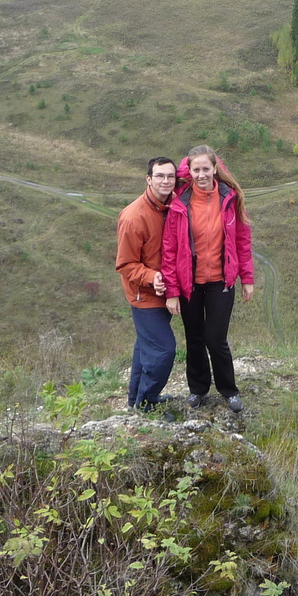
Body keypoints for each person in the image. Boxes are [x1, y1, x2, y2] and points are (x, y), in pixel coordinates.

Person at [161, 145, 254, 412]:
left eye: (206, 168)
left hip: (220, 282)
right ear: (188, 172)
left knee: (216, 338)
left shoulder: (229, 198)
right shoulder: (180, 201)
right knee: (194, 339)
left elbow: (242, 240)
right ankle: (198, 389)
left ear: (216, 168)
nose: (201, 175)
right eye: (195, 169)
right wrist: (172, 291)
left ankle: (229, 390)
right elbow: (169, 249)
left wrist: (247, 278)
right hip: (189, 283)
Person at [115, 156, 178, 413]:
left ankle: (135, 400)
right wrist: (152, 277)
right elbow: (125, 264)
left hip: (166, 292)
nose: (166, 181)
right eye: (160, 176)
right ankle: (147, 402)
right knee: (163, 350)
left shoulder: (173, 206)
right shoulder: (133, 217)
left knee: (145, 348)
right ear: (148, 179)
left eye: (170, 176)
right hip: (145, 297)